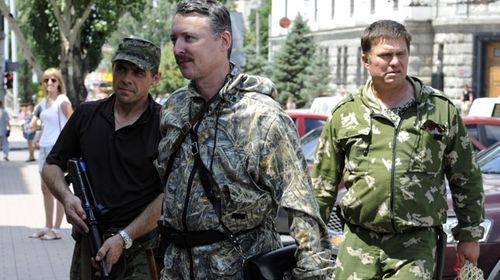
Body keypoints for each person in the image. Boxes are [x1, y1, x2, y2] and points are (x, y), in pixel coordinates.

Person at [150, 1, 332, 279]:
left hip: (239, 269)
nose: (177, 49)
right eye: (174, 38)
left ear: (224, 41)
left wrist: (313, 273)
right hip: (177, 269)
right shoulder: (175, 107)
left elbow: (302, 209)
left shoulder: (261, 115)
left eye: (190, 38)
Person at [312, 20, 484, 279]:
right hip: (359, 241)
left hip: (415, 245)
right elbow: (322, 184)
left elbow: (466, 176)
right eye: (385, 55)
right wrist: (311, 242)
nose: (395, 61)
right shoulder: (345, 114)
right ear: (366, 60)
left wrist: (469, 235)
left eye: (401, 54)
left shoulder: (439, 110)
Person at [41, 38, 163, 279]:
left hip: (141, 251)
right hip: (91, 244)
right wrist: (67, 198)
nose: (127, 78)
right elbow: (51, 166)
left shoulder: (165, 124)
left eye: (138, 72)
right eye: (121, 69)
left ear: (155, 78)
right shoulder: (87, 115)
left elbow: (170, 195)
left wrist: (124, 237)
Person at [26, 68, 73, 241]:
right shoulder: (43, 102)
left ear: (59, 82)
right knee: (45, 189)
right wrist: (37, 131)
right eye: (46, 80)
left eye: (53, 80)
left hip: (56, 149)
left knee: (58, 189)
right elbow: (34, 124)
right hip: (44, 147)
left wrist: (67, 142)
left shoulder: (62, 100)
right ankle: (47, 225)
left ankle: (57, 229)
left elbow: (73, 120)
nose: (50, 83)